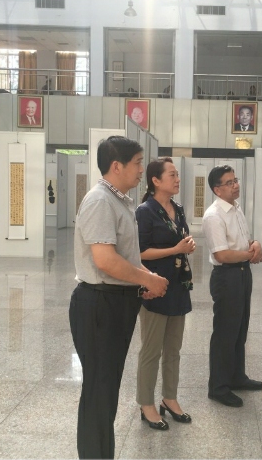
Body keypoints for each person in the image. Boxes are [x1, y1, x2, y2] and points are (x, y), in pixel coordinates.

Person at [69, 136, 169, 459]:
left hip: (116, 302)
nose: (142, 170)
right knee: (99, 392)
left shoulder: (120, 201)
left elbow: (127, 256)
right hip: (100, 305)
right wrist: (147, 279)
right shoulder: (100, 201)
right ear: (117, 166)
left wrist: (147, 278)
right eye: (138, 163)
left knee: (106, 390)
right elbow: (106, 261)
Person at [135, 158, 196, 431]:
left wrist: (187, 245)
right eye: (172, 175)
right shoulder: (145, 211)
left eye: (177, 174)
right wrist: (176, 250)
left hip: (178, 286)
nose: (177, 179)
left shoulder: (177, 208)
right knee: (151, 350)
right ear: (156, 180)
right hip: (155, 288)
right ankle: (146, 403)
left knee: (173, 349)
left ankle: (169, 398)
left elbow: (180, 238)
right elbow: (140, 252)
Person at [202, 165, 262, 408]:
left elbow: (243, 241)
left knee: (240, 328)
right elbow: (222, 254)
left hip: (242, 273)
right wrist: (250, 255)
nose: (235, 185)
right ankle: (218, 387)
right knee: (225, 332)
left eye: (235, 180)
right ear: (217, 189)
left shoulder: (236, 208)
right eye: (229, 183)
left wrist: (255, 244)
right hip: (226, 276)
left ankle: (237, 376)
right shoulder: (214, 215)